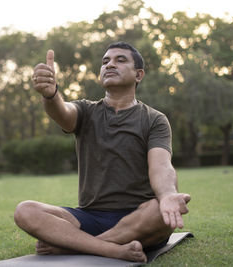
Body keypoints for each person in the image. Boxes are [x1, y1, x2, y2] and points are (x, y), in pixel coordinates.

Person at [14, 41, 191, 263]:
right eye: (105, 61)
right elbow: (62, 112)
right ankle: (112, 249)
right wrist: (51, 95)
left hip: (139, 218)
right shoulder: (86, 111)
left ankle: (77, 247)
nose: (110, 65)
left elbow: (162, 165)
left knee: (160, 211)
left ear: (139, 75)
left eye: (120, 60)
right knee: (26, 211)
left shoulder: (154, 119)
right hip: (89, 217)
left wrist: (167, 196)